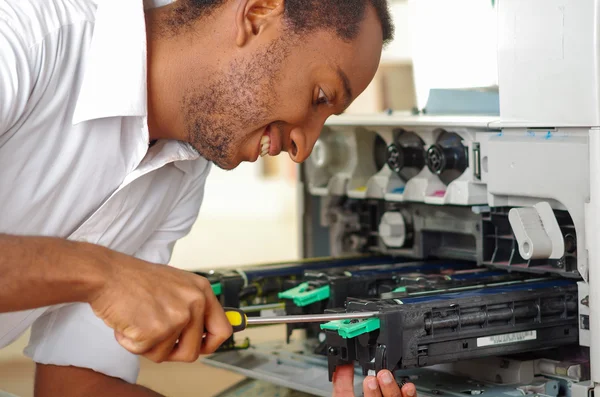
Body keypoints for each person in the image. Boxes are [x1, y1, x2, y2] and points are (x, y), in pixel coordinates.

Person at [0, 0, 413, 395]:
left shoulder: (181, 175)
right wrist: (101, 275)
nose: (303, 149)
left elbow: (75, 386)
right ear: (258, 12)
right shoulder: (23, 36)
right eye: (320, 97)